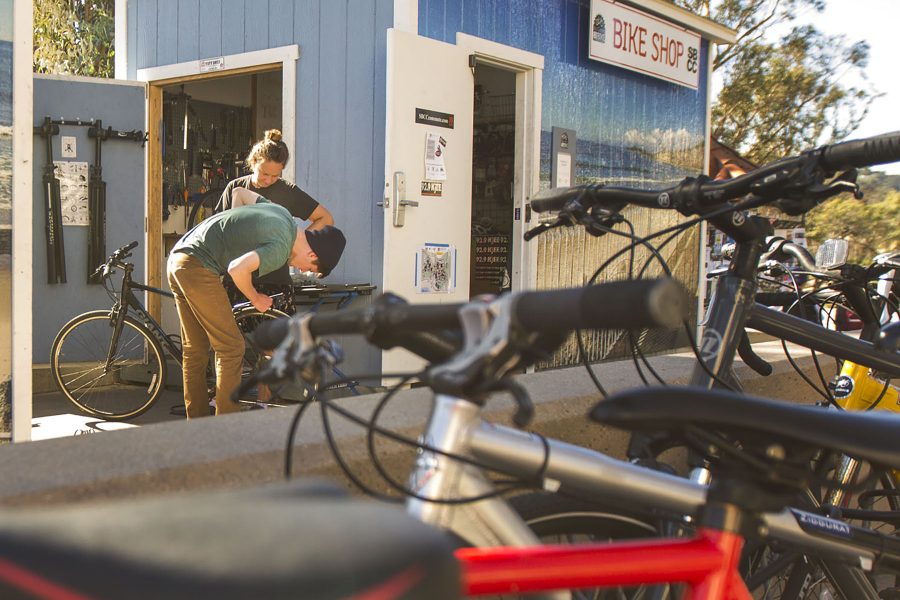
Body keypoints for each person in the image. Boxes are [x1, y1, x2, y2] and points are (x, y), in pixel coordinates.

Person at [167, 188, 346, 418]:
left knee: (195, 350)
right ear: (313, 255)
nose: (301, 270)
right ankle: (224, 425)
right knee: (231, 348)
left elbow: (240, 193)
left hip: (179, 257)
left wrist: (232, 233)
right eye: (309, 268)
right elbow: (236, 269)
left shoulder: (281, 214)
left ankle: (199, 424)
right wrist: (256, 298)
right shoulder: (280, 248)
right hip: (198, 266)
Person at [217, 129, 333, 291]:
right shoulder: (234, 188)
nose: (269, 180)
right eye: (264, 173)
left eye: (275, 176)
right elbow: (221, 232)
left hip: (276, 281)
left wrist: (294, 244)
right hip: (237, 280)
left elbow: (325, 218)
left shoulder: (288, 191)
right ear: (254, 161)